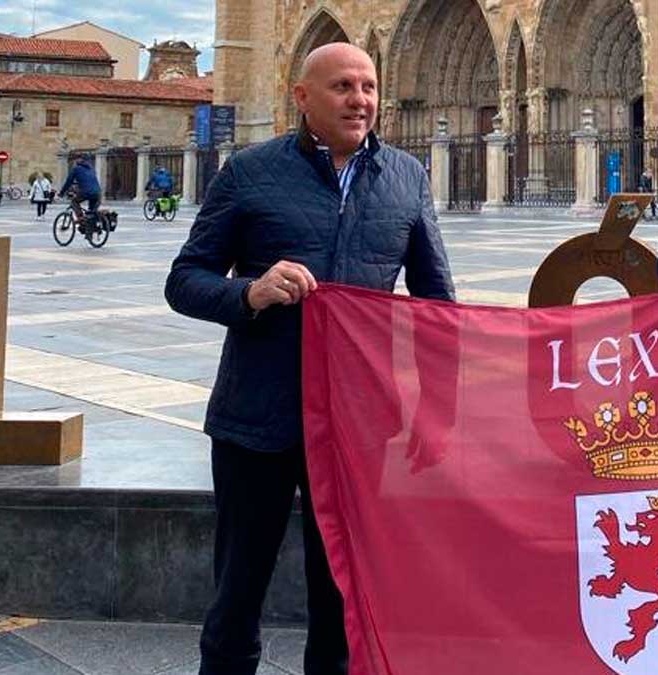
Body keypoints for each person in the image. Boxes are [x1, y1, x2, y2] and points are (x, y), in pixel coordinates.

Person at [165, 42, 455, 675]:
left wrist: (438, 415)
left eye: (369, 87)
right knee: (238, 591)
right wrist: (250, 291)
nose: (360, 100)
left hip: (358, 426)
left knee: (342, 597)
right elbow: (184, 280)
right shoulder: (249, 171)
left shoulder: (406, 176)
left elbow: (438, 306)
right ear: (302, 98)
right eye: (343, 87)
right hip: (257, 419)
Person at [58, 154, 101, 229]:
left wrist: (61, 193)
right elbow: (87, 181)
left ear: (79, 160)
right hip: (98, 193)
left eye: (77, 159)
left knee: (74, 202)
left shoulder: (76, 169)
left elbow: (68, 182)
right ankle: (91, 229)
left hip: (86, 192)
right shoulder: (91, 168)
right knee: (91, 213)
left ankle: (81, 218)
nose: (75, 161)